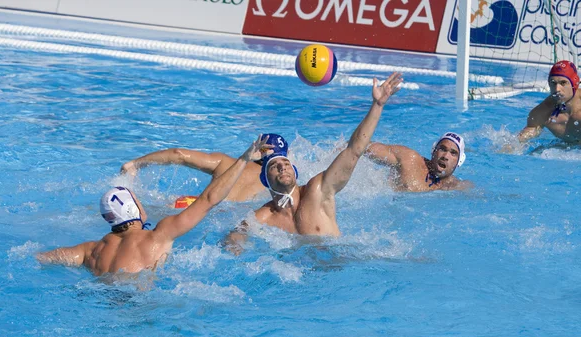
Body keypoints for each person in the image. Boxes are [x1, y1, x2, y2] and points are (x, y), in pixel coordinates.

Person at [36, 136, 273, 275]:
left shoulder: (90, 250)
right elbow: (209, 199)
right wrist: (243, 159)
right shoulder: (157, 237)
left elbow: (45, 257)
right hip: (142, 306)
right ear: (133, 210)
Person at [225, 72, 403, 252]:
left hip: (338, 267)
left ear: (295, 171)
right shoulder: (265, 215)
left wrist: (377, 105)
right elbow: (236, 232)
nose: (282, 166)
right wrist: (234, 244)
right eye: (274, 165)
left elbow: (354, 151)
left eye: (286, 164)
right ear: (264, 179)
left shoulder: (318, 190)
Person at [119, 138, 282, 201]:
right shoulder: (279, 183)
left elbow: (178, 154)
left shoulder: (225, 162)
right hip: (224, 218)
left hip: (188, 205)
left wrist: (135, 164)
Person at [365, 132, 472, 192]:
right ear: (433, 150)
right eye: (442, 149)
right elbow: (363, 146)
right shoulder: (409, 160)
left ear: (459, 161)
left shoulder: (458, 186)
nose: (445, 156)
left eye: (453, 153)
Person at [516, 60, 581, 145]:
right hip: (567, 148)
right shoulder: (543, 113)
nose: (557, 89)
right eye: (553, 83)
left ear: (574, 84)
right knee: (536, 152)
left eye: (563, 83)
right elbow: (525, 135)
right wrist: (511, 146)